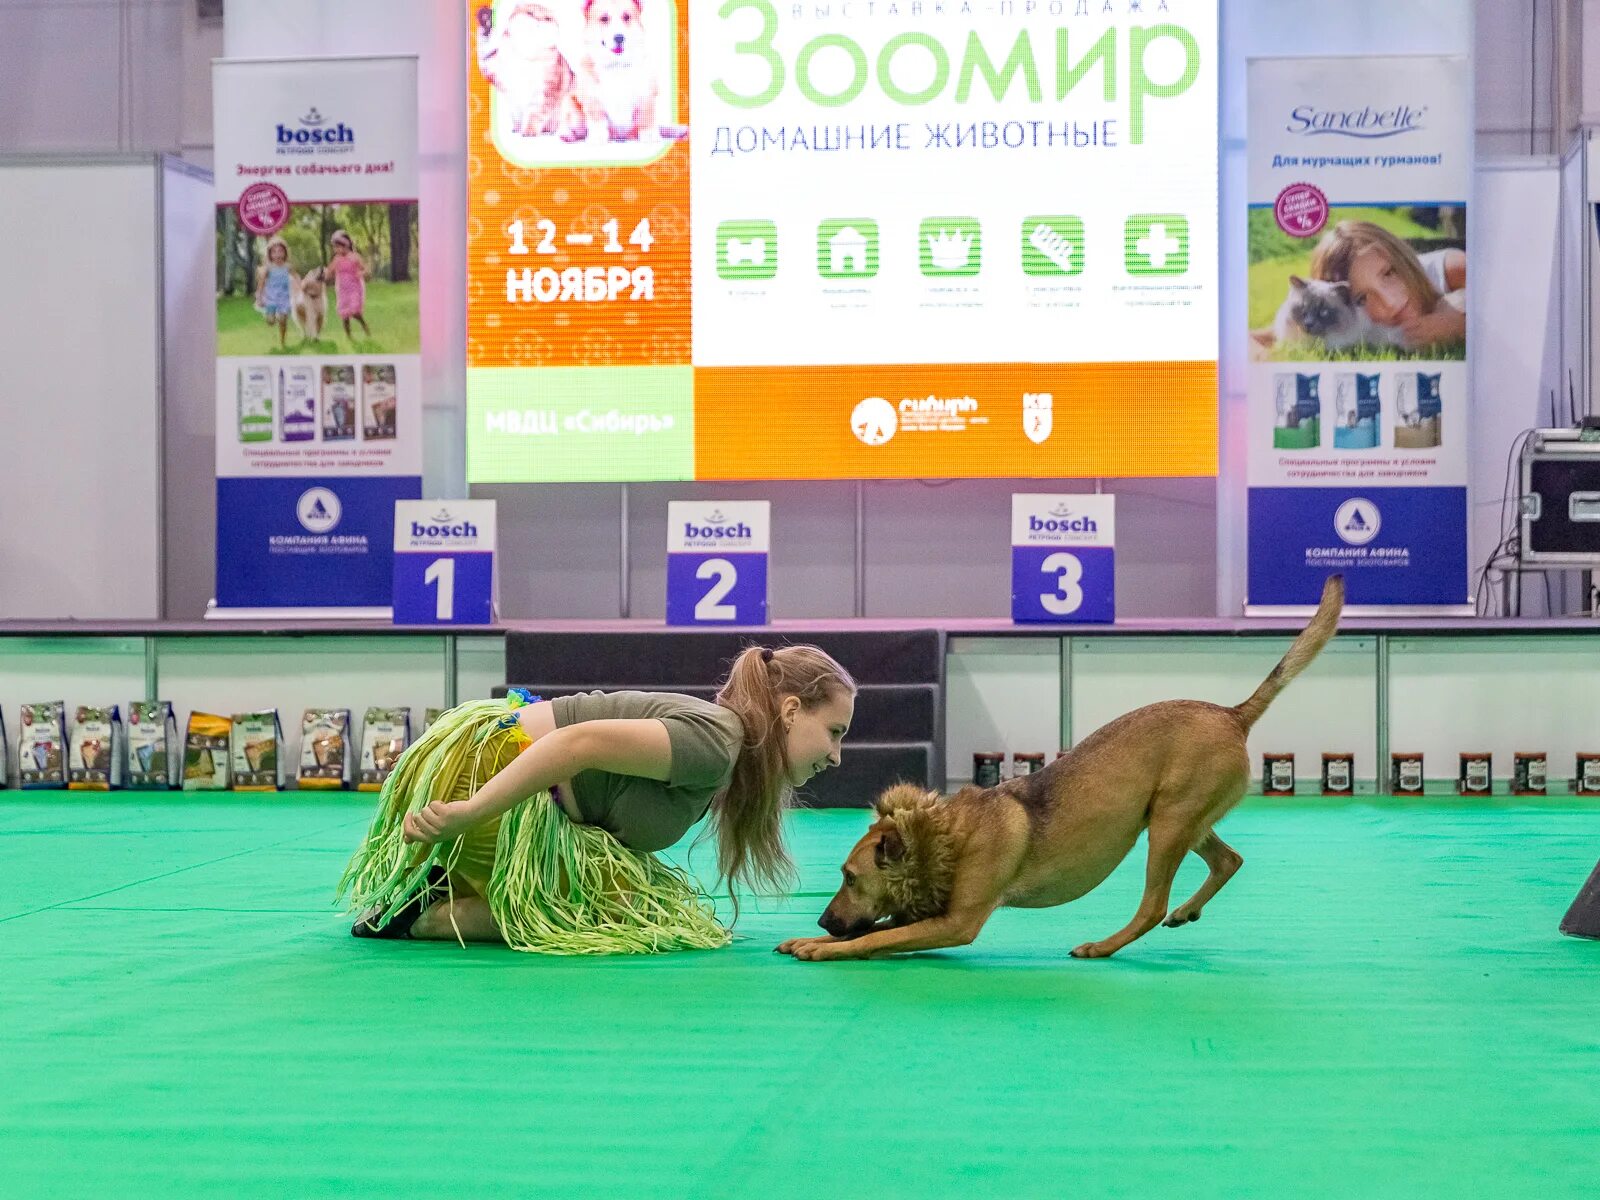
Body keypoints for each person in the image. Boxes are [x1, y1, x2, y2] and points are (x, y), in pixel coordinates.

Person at [338, 644, 857, 953]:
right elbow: (576, 744)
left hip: (505, 778)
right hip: (482, 771)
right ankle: (423, 914)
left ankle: (449, 882)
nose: (836, 756)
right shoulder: (718, 743)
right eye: (834, 732)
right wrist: (467, 812)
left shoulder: (725, 752)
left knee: (635, 898)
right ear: (790, 711)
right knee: (615, 912)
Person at [1311, 220, 1466, 351]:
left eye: (1389, 273)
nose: (1390, 303)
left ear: (1402, 257)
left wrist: (1459, 320)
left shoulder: (1450, 270)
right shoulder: (1352, 330)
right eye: (1362, 299)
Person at [327, 229, 372, 342]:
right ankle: (349, 337)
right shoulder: (336, 259)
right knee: (345, 315)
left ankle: (363, 324)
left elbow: (367, 270)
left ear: (346, 245)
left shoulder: (355, 257)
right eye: (335, 247)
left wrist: (361, 273)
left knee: (354, 311)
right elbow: (329, 272)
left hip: (354, 288)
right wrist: (325, 275)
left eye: (339, 246)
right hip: (342, 290)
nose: (337, 249)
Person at [254, 237, 294, 350]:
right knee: (271, 322)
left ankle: (283, 341)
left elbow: (296, 279)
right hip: (271, 299)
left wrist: (300, 289)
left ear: (285, 253)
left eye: (280, 251)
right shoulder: (268, 268)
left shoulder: (288, 267)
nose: (277, 254)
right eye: (274, 252)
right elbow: (261, 284)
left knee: (283, 321)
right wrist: (259, 298)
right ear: (270, 254)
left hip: (284, 298)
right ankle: (273, 317)